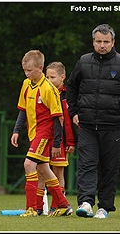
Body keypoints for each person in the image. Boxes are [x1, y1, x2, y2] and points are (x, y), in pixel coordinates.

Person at [66, 24, 120, 219]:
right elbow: (71, 87)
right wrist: (74, 111)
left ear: (113, 42)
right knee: (86, 164)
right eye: (98, 41)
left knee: (110, 167)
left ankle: (105, 207)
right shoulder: (83, 62)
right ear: (93, 42)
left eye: (106, 42)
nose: (102, 45)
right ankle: (86, 202)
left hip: (113, 125)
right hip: (87, 124)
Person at [10, 50, 72, 217]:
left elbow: (58, 118)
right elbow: (22, 110)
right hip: (34, 133)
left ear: (40, 67)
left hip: (45, 133)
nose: (27, 74)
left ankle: (31, 208)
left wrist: (57, 143)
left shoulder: (48, 89)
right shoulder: (26, 84)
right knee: (44, 169)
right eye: (25, 70)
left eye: (30, 70)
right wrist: (16, 130)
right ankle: (64, 204)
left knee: (28, 165)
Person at [36, 61, 76, 215]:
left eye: (53, 77)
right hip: (45, 138)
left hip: (61, 141)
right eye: (47, 77)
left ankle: (57, 204)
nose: (49, 80)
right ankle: (39, 206)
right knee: (41, 171)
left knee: (58, 171)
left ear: (62, 77)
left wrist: (71, 142)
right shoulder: (43, 91)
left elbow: (69, 121)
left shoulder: (68, 96)